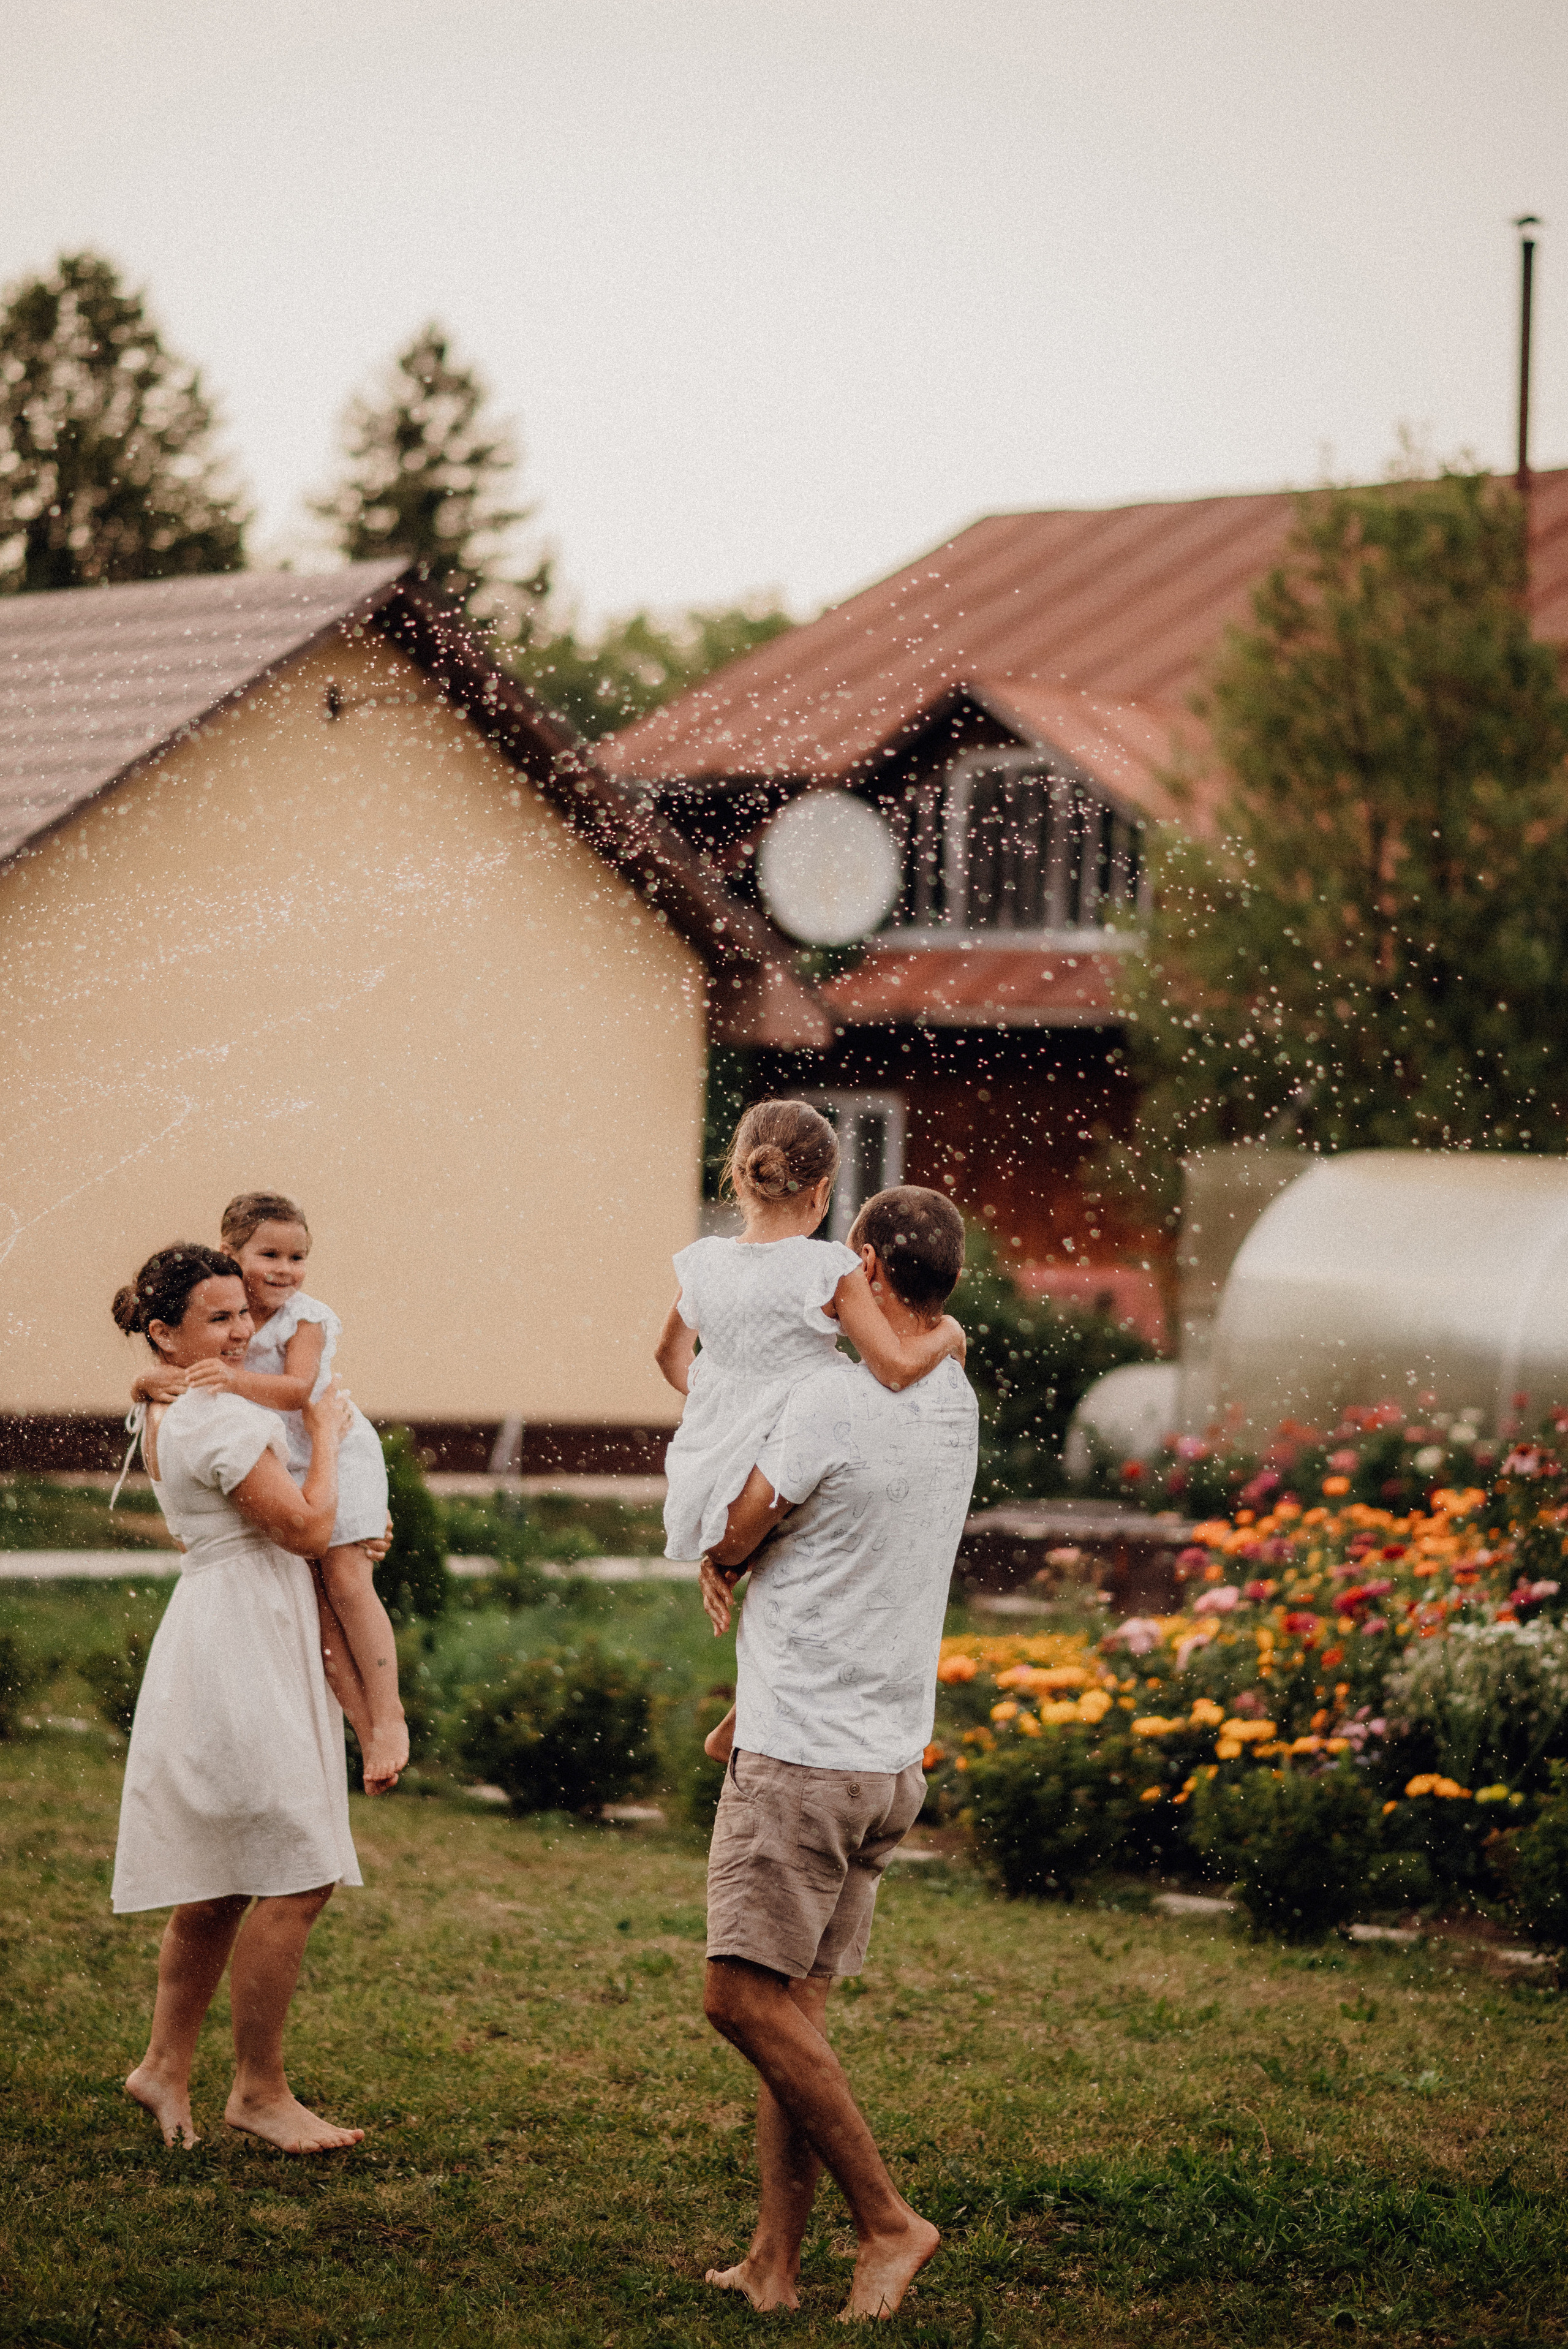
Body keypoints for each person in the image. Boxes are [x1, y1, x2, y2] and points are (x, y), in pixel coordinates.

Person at [695, 1186, 979, 2321]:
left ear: (860, 1260)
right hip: (884, 1757)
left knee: (736, 1998)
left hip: (804, 1758)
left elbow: (738, 1523)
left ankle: (888, 2217)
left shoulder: (824, 1395)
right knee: (795, 2012)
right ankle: (773, 2261)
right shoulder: (952, 1389)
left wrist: (717, 1546)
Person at [111, 1243, 369, 2154]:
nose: (242, 1331)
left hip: (223, 1623)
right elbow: (304, 1526)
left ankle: (162, 2064)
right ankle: (259, 2089)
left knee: (220, 1875)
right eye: (217, 1317)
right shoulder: (213, 1416)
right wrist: (329, 1438)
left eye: (244, 1313)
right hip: (241, 1635)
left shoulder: (178, 1401)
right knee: (299, 1868)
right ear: (165, 1332)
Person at [656, 1100, 964, 1760]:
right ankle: (751, 1714)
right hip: (787, 1441)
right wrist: (949, 1334)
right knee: (813, 1555)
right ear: (824, 1190)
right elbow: (894, 1365)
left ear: (737, 1179)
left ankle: (743, 1714)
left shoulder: (703, 1262)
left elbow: (668, 1357)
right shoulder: (829, 1270)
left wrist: (715, 1396)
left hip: (712, 1457)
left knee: (774, 1557)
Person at [132, 1191, 406, 1793]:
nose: (285, 1269)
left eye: (298, 1256)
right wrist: (153, 1379)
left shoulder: (304, 1317)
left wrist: (227, 1380)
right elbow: (180, 1373)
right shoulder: (223, 1310)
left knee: (347, 1582)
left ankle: (389, 1716)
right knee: (318, 1613)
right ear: (230, 1253)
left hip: (333, 1447)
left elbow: (298, 1391)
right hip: (289, 1464)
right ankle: (362, 1730)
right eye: (270, 1254)